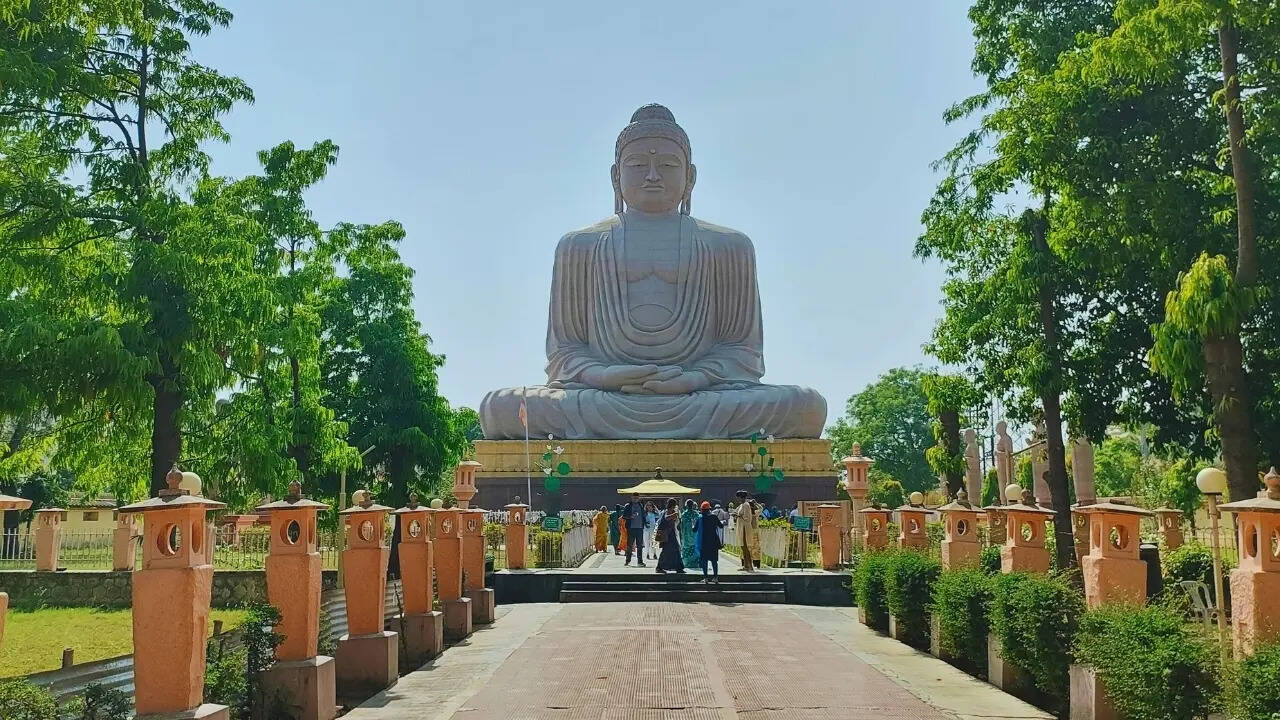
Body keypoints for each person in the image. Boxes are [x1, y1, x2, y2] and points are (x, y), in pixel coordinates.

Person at [694, 501, 724, 582]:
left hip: (704, 542)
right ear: (709, 509)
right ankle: (715, 577)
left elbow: (694, 530)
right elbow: (721, 526)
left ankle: (706, 578)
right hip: (714, 542)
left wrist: (693, 525)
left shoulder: (700, 518)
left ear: (702, 510)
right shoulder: (714, 517)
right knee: (714, 560)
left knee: (704, 560)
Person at [734, 490, 762, 572]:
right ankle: (746, 566)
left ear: (741, 497)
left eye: (738, 497)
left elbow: (747, 518)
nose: (737, 499)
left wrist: (738, 515)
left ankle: (750, 566)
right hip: (741, 528)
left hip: (745, 529)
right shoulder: (742, 505)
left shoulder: (746, 505)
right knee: (743, 548)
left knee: (746, 548)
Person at [655, 498, 685, 573]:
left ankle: (678, 567)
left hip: (671, 533)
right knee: (666, 551)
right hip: (667, 534)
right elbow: (666, 518)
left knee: (675, 550)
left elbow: (675, 522)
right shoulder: (667, 511)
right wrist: (674, 515)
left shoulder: (673, 511)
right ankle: (659, 567)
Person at [621, 493, 648, 566]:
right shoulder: (628, 506)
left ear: (639, 498)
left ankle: (640, 562)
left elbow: (643, 516)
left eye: (637, 498)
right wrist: (630, 517)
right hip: (631, 528)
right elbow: (623, 516)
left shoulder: (641, 505)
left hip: (640, 528)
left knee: (640, 546)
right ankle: (627, 560)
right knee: (629, 545)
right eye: (634, 498)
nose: (635, 499)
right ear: (631, 498)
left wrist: (645, 522)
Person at [679, 499, 700, 568]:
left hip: (686, 534)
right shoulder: (696, 514)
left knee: (686, 548)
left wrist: (681, 534)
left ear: (686, 506)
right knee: (694, 547)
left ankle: (687, 563)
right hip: (694, 534)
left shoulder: (684, 514)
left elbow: (681, 526)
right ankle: (695, 563)